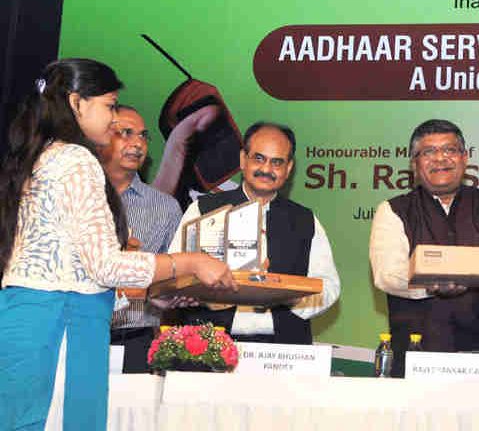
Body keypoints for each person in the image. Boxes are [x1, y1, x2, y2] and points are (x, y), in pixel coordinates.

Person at [0, 58, 236, 430]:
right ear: (77, 103)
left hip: (39, 315)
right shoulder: (77, 159)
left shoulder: (44, 154)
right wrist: (188, 263)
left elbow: (74, 270)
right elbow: (104, 267)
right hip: (61, 323)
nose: (113, 120)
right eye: (109, 106)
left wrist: (149, 293)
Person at [369, 119, 479, 379]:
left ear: (465, 158)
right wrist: (428, 285)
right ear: (414, 163)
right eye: (428, 152)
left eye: (449, 150)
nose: (440, 159)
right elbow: (386, 275)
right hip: (416, 360)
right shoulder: (392, 210)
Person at [168, 122, 341, 344]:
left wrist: (286, 294)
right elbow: (175, 271)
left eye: (277, 162)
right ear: (243, 160)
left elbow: (329, 286)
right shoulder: (203, 209)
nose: (267, 169)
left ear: (288, 168)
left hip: (282, 350)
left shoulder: (305, 220)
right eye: (258, 158)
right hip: (209, 344)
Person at [97, 104, 184, 373]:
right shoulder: (77, 195)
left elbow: (174, 278)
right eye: (126, 133)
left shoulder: (166, 207)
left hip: (137, 339)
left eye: (143, 136)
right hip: (76, 335)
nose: (138, 144)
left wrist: (169, 292)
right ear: (99, 138)